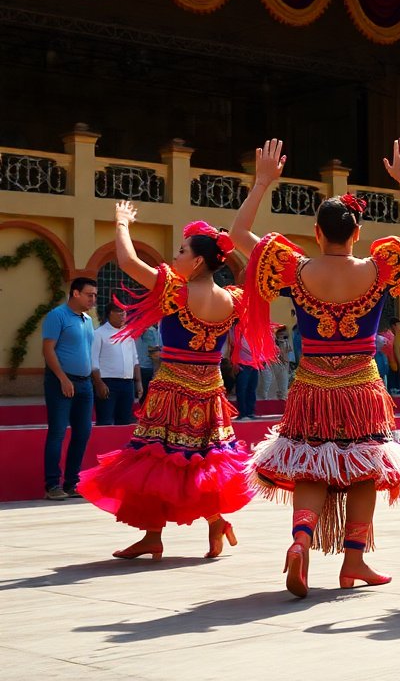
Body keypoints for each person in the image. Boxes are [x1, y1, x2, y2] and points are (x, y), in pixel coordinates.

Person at [232, 138, 400, 597]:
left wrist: (262, 182)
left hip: (311, 385)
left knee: (309, 465)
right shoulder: (379, 267)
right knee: (365, 468)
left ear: (317, 233)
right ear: (357, 233)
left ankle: (301, 542)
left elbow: (240, 234)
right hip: (362, 384)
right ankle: (353, 563)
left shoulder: (296, 269)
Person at [78, 208, 253, 559]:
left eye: (182, 251)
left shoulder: (176, 290)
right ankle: (200, 524)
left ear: (199, 260)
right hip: (210, 392)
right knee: (199, 460)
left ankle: (157, 533)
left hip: (172, 390)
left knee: (159, 460)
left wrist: (122, 222)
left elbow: (127, 261)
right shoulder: (232, 300)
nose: (176, 256)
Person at [40, 276, 97, 501]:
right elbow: (48, 350)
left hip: (85, 384)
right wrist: (63, 379)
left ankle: (72, 483)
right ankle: (52, 485)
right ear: (75, 293)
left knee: (83, 433)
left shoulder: (87, 319)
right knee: (57, 432)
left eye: (94, 295)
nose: (93, 299)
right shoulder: (57, 316)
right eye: (89, 295)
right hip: (60, 382)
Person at [92, 305, 142, 427]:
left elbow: (134, 359)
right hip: (108, 383)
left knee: (125, 421)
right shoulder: (99, 333)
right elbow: (93, 361)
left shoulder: (128, 333)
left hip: (127, 384)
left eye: (124, 312)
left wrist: (139, 382)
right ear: (109, 313)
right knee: (105, 421)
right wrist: (98, 383)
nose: (122, 315)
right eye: (118, 312)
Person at [231, 332, 259, 420]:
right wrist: (235, 363)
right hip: (242, 365)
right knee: (242, 389)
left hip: (254, 365)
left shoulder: (254, 334)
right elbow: (233, 348)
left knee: (252, 389)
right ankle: (242, 413)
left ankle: (250, 412)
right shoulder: (237, 333)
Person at [134, 322, 160, 404]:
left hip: (141, 367)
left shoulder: (139, 327)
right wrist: (156, 373)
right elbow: (155, 354)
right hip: (148, 369)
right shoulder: (149, 330)